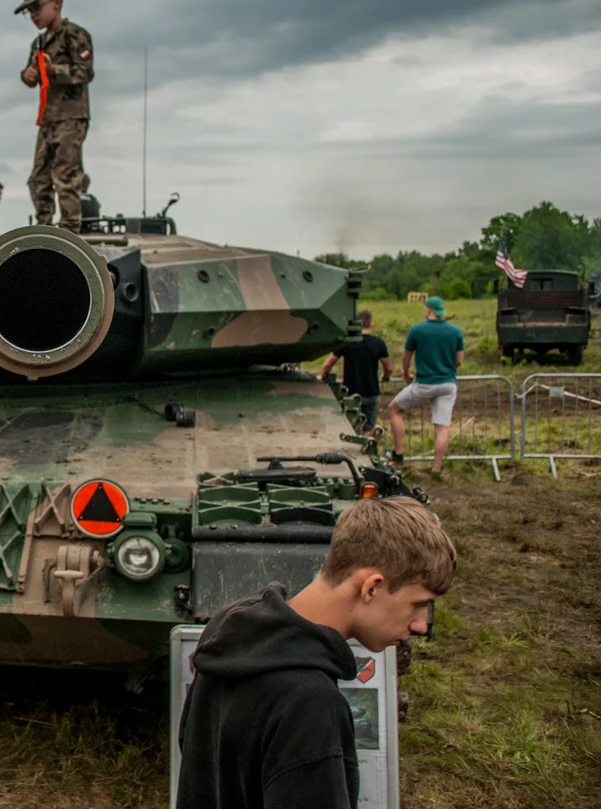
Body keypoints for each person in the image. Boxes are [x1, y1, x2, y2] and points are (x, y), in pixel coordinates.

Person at [177, 496, 456, 809]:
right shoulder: (311, 703)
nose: (421, 625)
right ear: (371, 588)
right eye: (419, 604)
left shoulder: (228, 630)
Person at [16, 0, 93, 233]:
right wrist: (28, 75)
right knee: (38, 179)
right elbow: (30, 76)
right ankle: (44, 230)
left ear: (57, 2)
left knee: (65, 175)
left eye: (37, 7)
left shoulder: (75, 35)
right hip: (48, 117)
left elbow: (85, 72)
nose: (33, 15)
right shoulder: (39, 44)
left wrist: (54, 70)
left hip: (71, 115)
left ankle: (69, 230)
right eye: (29, 11)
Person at [388, 296, 465, 473]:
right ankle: (436, 468)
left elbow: (406, 357)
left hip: (425, 383)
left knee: (394, 409)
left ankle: (398, 452)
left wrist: (405, 373)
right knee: (443, 427)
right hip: (448, 384)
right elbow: (459, 360)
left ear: (429, 310)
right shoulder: (455, 331)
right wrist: (446, 367)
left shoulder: (417, 329)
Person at [318, 309, 392, 434]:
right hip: (372, 392)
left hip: (351, 394)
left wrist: (323, 376)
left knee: (350, 428)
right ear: (371, 323)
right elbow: (389, 367)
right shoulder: (378, 343)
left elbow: (328, 364)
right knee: (368, 429)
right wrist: (385, 376)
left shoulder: (348, 343)